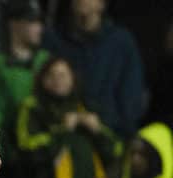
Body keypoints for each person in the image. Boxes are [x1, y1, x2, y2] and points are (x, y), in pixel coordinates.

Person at [15, 56, 119, 178]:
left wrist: (97, 131)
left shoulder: (84, 107)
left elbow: (115, 151)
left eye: (63, 75)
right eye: (52, 75)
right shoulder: (33, 108)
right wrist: (62, 131)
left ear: (72, 79)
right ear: (42, 80)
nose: (58, 80)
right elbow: (27, 148)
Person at [42, 0, 145, 139]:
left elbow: (132, 99)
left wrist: (106, 125)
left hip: (111, 138)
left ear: (102, 4)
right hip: (64, 137)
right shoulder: (55, 40)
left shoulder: (121, 42)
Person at [0, 0, 50, 178]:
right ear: (15, 25)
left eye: (39, 23)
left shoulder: (46, 61)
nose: (39, 28)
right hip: (10, 160)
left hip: (43, 156)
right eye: (32, 22)